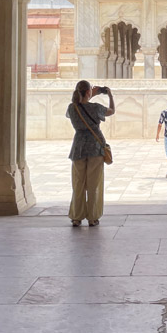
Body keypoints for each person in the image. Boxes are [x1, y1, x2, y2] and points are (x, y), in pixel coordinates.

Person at [65, 80, 115, 227]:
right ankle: (92, 217)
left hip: (78, 147)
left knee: (78, 184)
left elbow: (79, 105)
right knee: (94, 184)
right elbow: (111, 111)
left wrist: (88, 94)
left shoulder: (72, 108)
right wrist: (109, 95)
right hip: (95, 147)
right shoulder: (96, 108)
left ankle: (76, 217)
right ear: (88, 92)